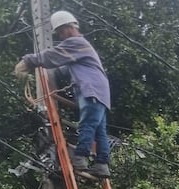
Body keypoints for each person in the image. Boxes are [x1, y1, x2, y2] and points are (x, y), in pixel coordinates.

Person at [15, 10, 111, 178]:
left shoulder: (76, 42)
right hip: (100, 93)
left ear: (70, 27)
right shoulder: (82, 49)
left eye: (61, 31)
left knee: (87, 124)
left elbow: (54, 55)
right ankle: (102, 165)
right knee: (99, 130)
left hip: (91, 90)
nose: (60, 36)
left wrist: (28, 61)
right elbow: (62, 67)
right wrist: (43, 68)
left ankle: (80, 158)